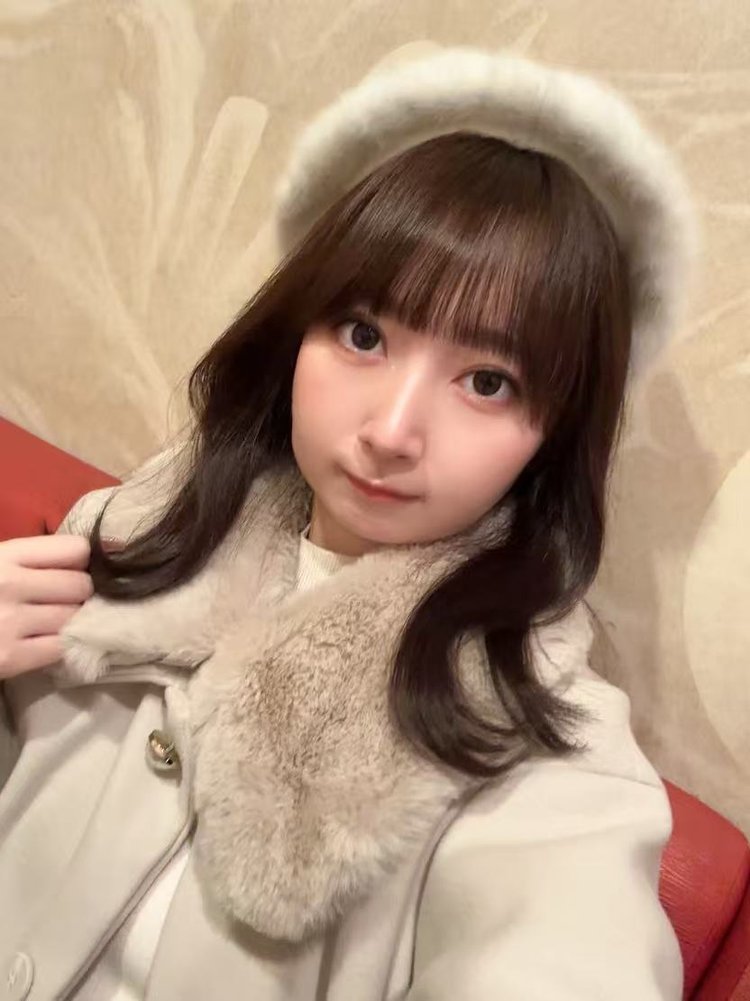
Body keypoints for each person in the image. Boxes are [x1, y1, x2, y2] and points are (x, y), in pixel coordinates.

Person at [0, 46, 697, 1001]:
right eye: (364, 334)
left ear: (551, 436)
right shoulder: (129, 537)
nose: (392, 430)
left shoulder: (543, 749)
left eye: (487, 381)